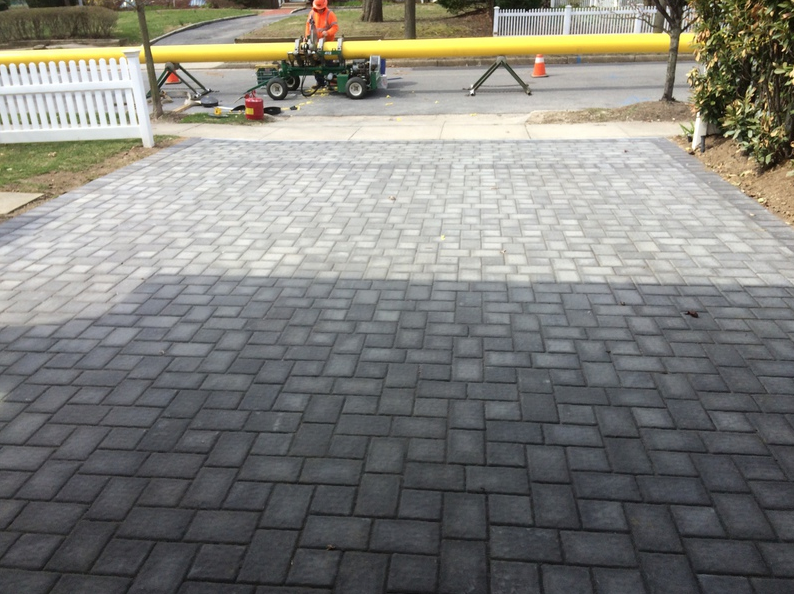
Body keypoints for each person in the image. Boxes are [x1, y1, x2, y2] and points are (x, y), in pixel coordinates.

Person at [305, 0, 339, 89]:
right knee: (315, 63)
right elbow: (308, 27)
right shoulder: (312, 14)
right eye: (317, 9)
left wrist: (327, 33)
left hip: (327, 43)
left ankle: (331, 81)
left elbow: (335, 27)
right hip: (315, 43)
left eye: (321, 9)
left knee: (328, 63)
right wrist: (307, 37)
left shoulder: (329, 14)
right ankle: (320, 82)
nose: (319, 10)